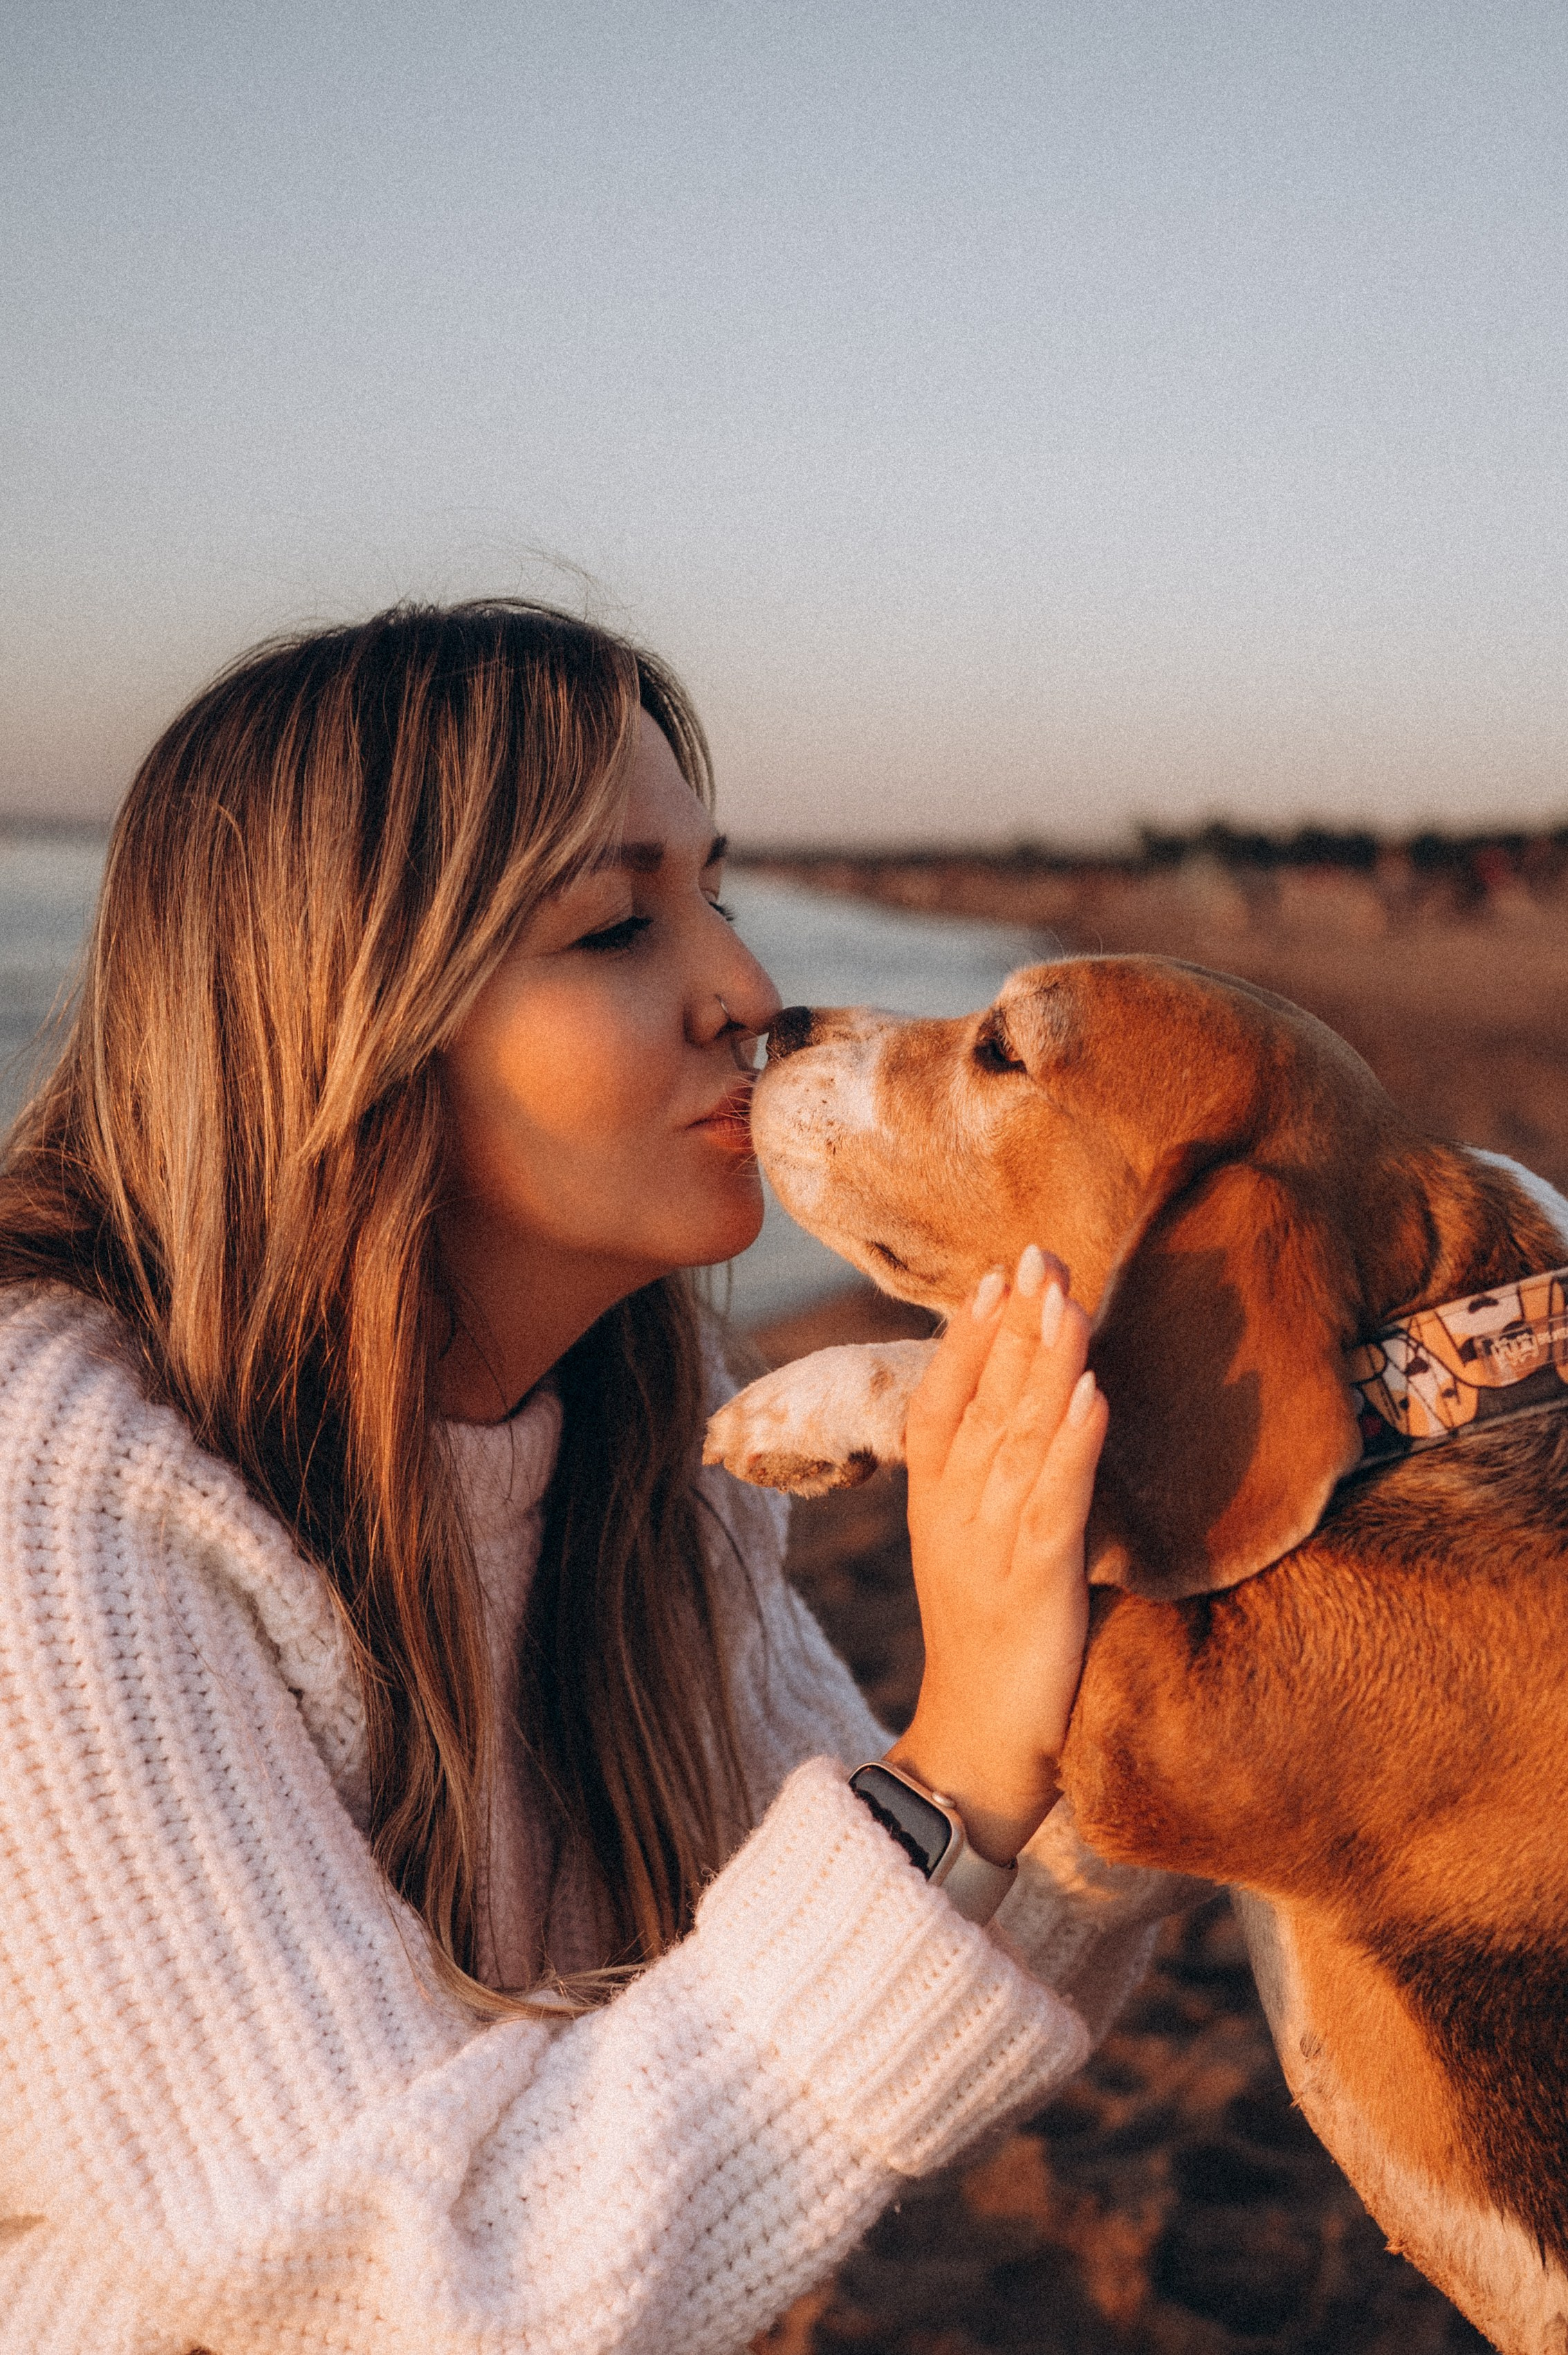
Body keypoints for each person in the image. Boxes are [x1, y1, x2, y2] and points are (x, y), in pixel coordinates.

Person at [0, 603, 1181, 2354]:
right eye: (621, 925)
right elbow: (400, 2295)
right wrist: (954, 1772)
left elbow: (933, 2005)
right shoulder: (57, 1474)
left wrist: (1128, 1645)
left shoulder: (642, 1418)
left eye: (715, 895)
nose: (750, 993)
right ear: (350, 1019)